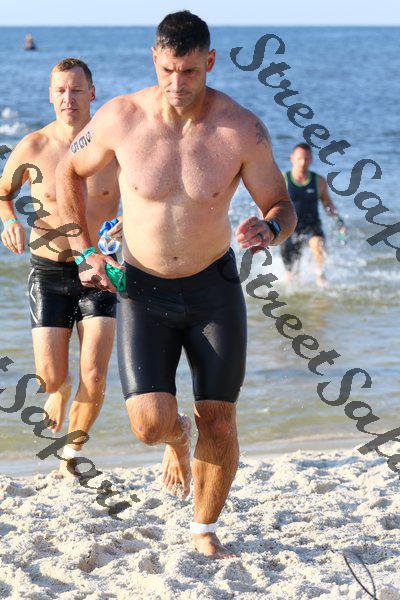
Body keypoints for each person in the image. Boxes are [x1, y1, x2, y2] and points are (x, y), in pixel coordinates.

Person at [57, 11, 297, 557]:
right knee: (149, 424)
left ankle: (204, 530)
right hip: (142, 289)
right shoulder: (120, 118)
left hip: (214, 289)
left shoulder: (241, 129)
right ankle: (175, 437)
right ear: (154, 59)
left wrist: (269, 228)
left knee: (220, 419)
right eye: (167, 69)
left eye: (189, 71)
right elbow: (69, 171)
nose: (177, 83)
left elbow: (281, 204)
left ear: (209, 62)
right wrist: (84, 249)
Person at [0, 58, 122, 477]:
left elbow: (145, 193)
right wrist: (9, 221)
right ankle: (61, 387)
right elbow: (3, 194)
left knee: (96, 370)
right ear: (51, 95)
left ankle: (72, 451)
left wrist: (130, 223)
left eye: (76, 89)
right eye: (60, 90)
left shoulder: (111, 148)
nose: (68, 98)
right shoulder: (33, 147)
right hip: (49, 270)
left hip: (99, 270)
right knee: (51, 378)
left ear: (92, 93)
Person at [280, 142, 346, 285]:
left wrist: (339, 221)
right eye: (300, 158)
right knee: (291, 276)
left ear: (311, 159)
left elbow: (328, 204)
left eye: (307, 158)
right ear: (292, 158)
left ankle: (320, 276)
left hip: (312, 225)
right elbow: (272, 204)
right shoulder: (282, 180)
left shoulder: (319, 181)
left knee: (318, 244)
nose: (303, 162)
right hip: (289, 228)